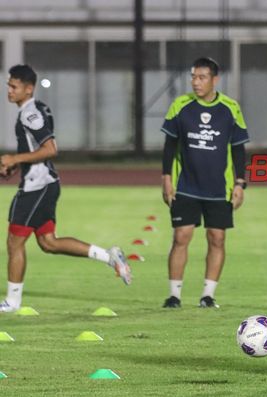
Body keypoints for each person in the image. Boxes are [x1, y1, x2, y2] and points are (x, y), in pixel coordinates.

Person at [0, 64, 131, 313]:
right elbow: (37, 151)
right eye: (8, 84)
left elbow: (50, 149)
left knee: (14, 242)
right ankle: (109, 256)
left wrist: (15, 160)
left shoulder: (30, 113)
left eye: (13, 86)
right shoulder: (34, 109)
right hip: (44, 183)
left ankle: (12, 302)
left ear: (29, 89)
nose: (9, 90)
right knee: (49, 243)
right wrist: (16, 165)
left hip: (36, 187)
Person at [160, 57, 249, 309]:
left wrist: (240, 184)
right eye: (193, 77)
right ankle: (174, 295)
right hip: (185, 185)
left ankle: (208, 295)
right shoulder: (181, 105)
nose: (196, 82)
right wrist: (166, 177)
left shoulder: (230, 108)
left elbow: (239, 149)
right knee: (181, 236)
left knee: (217, 238)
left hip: (219, 188)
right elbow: (169, 145)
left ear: (214, 80)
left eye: (201, 77)